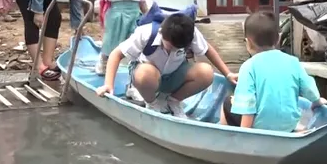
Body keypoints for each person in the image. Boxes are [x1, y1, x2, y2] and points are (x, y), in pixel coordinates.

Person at [96, 13, 238, 118]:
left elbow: (207, 50)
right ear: (162, 34)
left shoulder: (190, 32)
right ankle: (152, 103)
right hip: (147, 78)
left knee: (206, 72)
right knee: (146, 73)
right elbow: (116, 54)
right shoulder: (146, 32)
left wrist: (227, 73)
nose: (173, 51)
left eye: (178, 49)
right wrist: (109, 84)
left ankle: (173, 101)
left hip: (174, 75)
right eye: (170, 47)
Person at [219, 11, 327, 132]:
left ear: (248, 42)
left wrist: (245, 132)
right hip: (289, 124)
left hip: (259, 127)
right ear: (278, 39)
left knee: (227, 102)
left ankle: (225, 134)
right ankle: (294, 129)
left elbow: (247, 103)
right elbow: (308, 86)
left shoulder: (248, 67)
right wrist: (316, 100)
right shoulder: (293, 62)